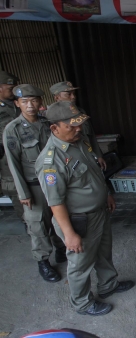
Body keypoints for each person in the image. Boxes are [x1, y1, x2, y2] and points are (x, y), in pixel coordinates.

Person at [35, 101, 134, 316]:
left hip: (98, 212)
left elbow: (94, 172)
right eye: (71, 126)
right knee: (81, 263)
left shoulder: (79, 142)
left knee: (103, 252)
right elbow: (55, 202)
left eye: (79, 124)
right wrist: (69, 234)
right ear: (55, 128)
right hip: (78, 220)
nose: (78, 128)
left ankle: (108, 285)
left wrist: (106, 193)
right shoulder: (51, 161)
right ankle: (82, 302)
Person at [3, 84, 66, 282]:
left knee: (59, 219)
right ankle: (43, 261)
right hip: (34, 186)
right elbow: (13, 165)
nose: (30, 105)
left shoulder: (48, 123)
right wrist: (23, 194)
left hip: (55, 183)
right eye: (24, 101)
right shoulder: (12, 130)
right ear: (17, 104)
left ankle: (61, 249)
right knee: (38, 225)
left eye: (34, 100)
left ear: (40, 102)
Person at [49, 81, 106, 170]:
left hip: (88, 155)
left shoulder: (80, 112)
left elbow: (91, 135)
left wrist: (98, 155)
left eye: (74, 94)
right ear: (57, 97)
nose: (73, 97)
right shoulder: (52, 117)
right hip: (72, 161)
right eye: (68, 94)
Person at [0, 70, 24, 221]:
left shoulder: (18, 104)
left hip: (26, 157)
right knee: (22, 203)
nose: (14, 91)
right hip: (6, 161)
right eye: (10, 89)